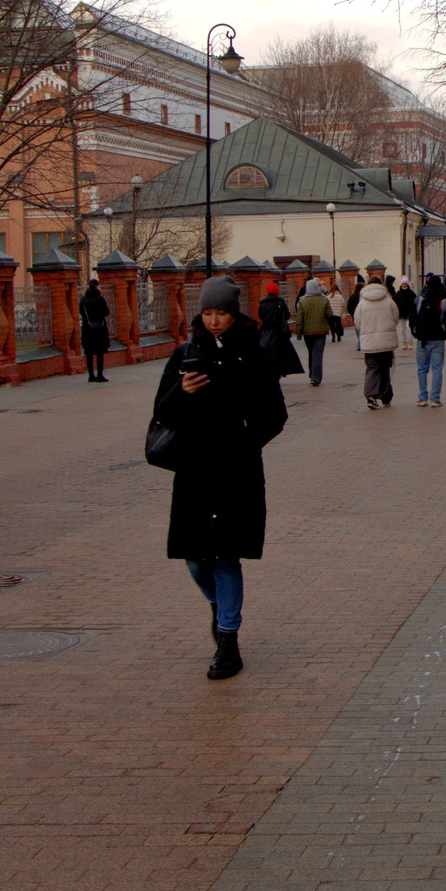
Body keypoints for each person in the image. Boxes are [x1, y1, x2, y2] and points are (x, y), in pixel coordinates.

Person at [153, 277, 289, 680]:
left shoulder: (256, 355)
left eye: (222, 313)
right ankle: (221, 607)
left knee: (226, 556)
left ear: (235, 314)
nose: (214, 321)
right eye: (208, 313)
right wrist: (182, 391)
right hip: (195, 471)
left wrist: (246, 438)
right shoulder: (184, 355)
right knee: (196, 559)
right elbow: (162, 413)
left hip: (237, 470)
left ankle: (228, 640)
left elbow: (276, 414)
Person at [353, 268, 402, 407]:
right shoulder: (389, 301)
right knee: (385, 368)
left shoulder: (362, 303)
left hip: (369, 343)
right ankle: (385, 395)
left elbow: (357, 322)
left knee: (372, 368)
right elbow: (396, 318)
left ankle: (371, 396)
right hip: (386, 341)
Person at [410, 272, 446, 405]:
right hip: (438, 338)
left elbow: (412, 317)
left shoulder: (420, 299)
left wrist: (415, 333)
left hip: (422, 339)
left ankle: (422, 397)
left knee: (422, 369)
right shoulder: (445, 301)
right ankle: (435, 399)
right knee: (437, 369)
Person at [294, 275, 332, 384]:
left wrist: (299, 333)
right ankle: (315, 377)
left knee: (311, 352)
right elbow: (329, 315)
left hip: (307, 332)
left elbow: (299, 319)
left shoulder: (302, 301)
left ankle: (312, 374)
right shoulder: (324, 300)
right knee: (317, 354)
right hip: (321, 331)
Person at [257, 281, 297, 378]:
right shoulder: (280, 302)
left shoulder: (262, 303)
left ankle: (270, 370)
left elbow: (261, 316)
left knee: (268, 352)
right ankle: (280, 371)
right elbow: (287, 315)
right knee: (281, 353)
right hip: (280, 332)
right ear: (276, 291)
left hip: (266, 331)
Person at [79, 276, 114, 382]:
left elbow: (81, 312)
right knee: (99, 352)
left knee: (88, 353)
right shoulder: (100, 299)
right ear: (97, 286)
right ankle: (100, 375)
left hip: (87, 329)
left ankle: (91, 375)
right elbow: (106, 312)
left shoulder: (83, 300)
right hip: (99, 328)